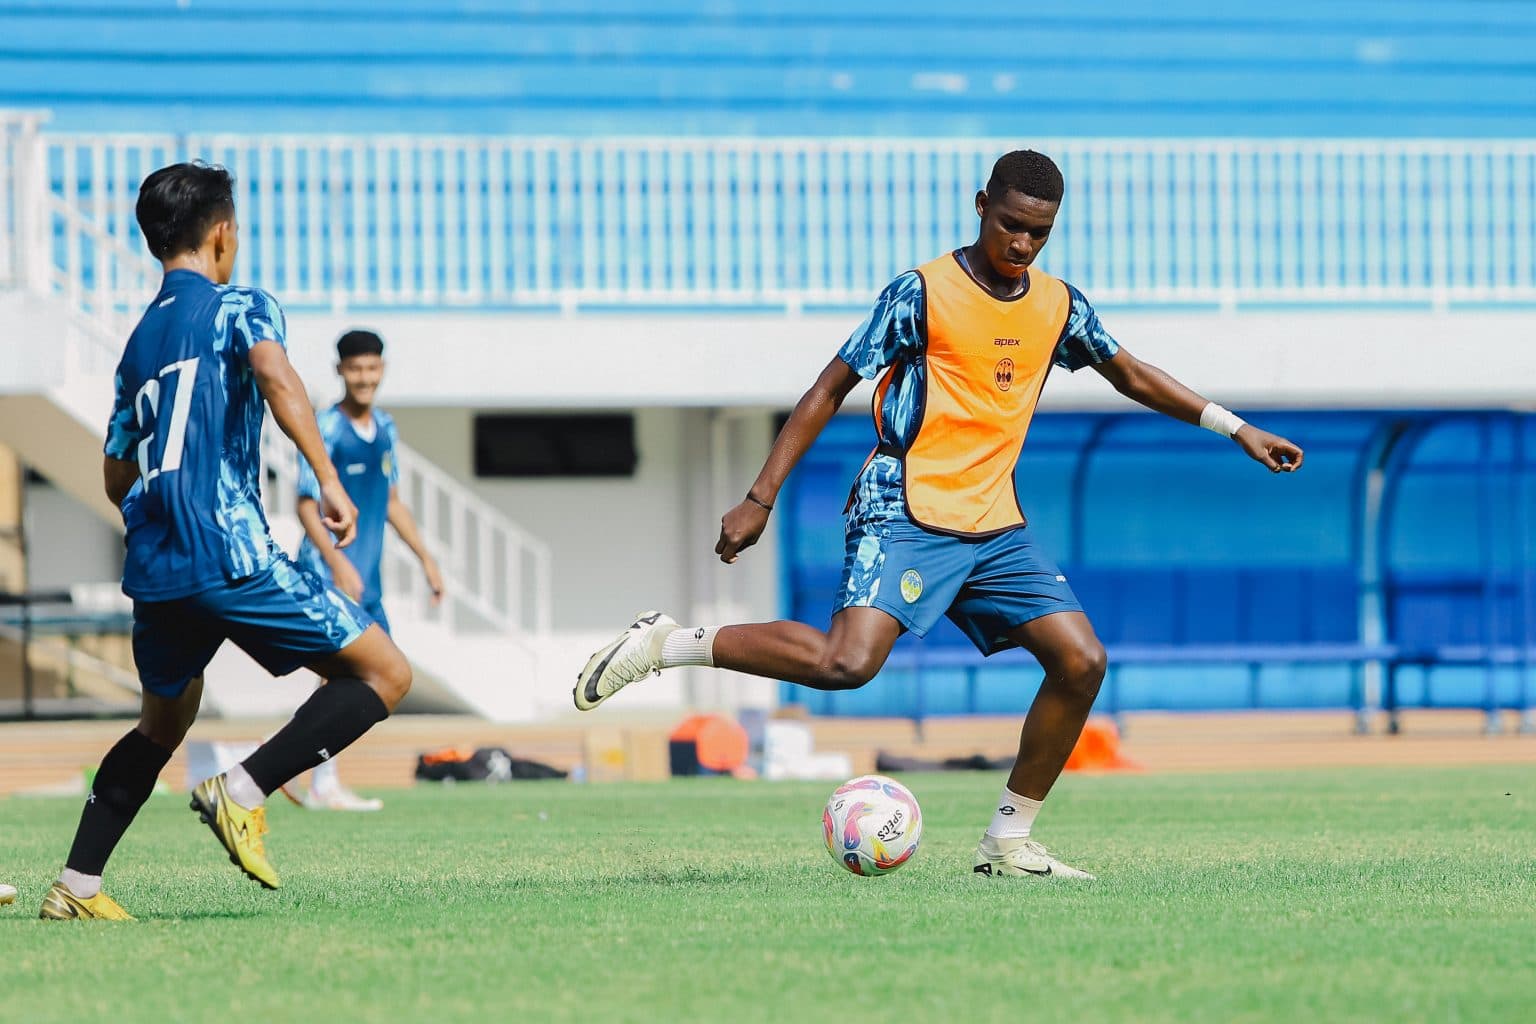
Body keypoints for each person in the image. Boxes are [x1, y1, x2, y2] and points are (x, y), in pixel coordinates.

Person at [575, 150, 1304, 880]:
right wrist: (761, 496)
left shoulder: (1057, 305)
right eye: (1012, 226)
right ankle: (667, 644)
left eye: (1039, 235)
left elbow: (1131, 373)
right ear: (981, 203)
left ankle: (1008, 844)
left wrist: (1234, 427)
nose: (1022, 246)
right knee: (846, 664)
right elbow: (828, 390)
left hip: (993, 521)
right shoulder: (921, 292)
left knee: (1081, 662)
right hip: (906, 504)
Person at [39, 162, 412, 921]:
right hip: (227, 549)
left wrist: (160, 512)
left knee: (162, 724)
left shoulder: (139, 342)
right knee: (384, 673)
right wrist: (326, 477)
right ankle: (241, 790)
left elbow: (116, 472)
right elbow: (276, 378)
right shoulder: (240, 305)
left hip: (157, 559)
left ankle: (76, 887)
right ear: (222, 234)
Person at [288, 328, 443, 811]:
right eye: (354, 368)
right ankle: (319, 780)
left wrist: (426, 559)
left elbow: (392, 500)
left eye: (371, 368)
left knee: (377, 678)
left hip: (367, 579)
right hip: (331, 573)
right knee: (349, 676)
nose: (364, 377)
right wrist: (337, 565)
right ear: (340, 371)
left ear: (382, 370)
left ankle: (295, 764)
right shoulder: (326, 429)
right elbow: (306, 505)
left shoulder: (386, 429)